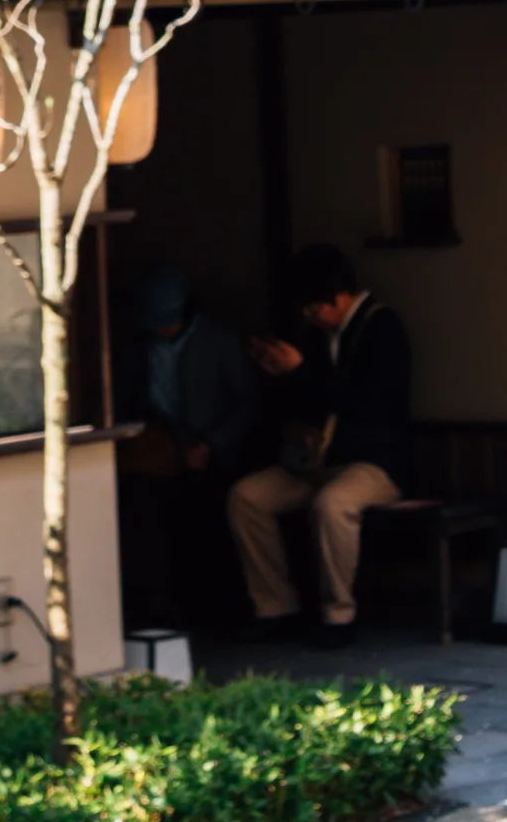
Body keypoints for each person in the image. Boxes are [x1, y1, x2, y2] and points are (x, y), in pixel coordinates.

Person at [229, 244, 416, 645]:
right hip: (316, 459)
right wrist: (281, 373)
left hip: (375, 462)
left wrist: (300, 373)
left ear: (340, 296)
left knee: (333, 504)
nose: (309, 315)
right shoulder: (316, 338)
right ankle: (275, 606)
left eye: (314, 307)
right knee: (247, 497)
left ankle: (338, 615)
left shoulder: (383, 329)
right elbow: (309, 401)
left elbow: (366, 403)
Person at [134, 266, 258, 623]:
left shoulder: (218, 341)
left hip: (216, 453)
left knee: (216, 526)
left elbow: (247, 403)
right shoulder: (140, 347)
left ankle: (223, 611)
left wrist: (212, 444)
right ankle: (163, 605)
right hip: (164, 449)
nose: (162, 329)